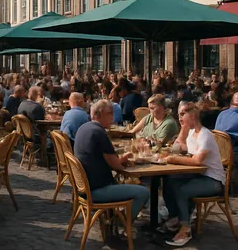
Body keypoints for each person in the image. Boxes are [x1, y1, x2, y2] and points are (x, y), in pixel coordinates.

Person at [73, 100, 149, 232]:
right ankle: (122, 222)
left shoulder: (84, 128)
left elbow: (105, 159)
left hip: (84, 188)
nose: (112, 118)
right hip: (97, 191)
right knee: (143, 192)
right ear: (101, 114)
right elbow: (118, 167)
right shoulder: (99, 133)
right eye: (110, 114)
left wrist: (119, 160)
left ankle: (118, 219)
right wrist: (123, 160)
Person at [163, 102, 226, 247]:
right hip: (199, 175)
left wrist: (173, 159)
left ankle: (185, 229)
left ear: (192, 116)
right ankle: (176, 218)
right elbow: (181, 148)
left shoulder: (205, 134)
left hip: (213, 180)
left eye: (182, 115)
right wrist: (183, 132)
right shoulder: (192, 132)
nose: (179, 118)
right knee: (169, 180)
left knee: (182, 190)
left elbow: (197, 160)